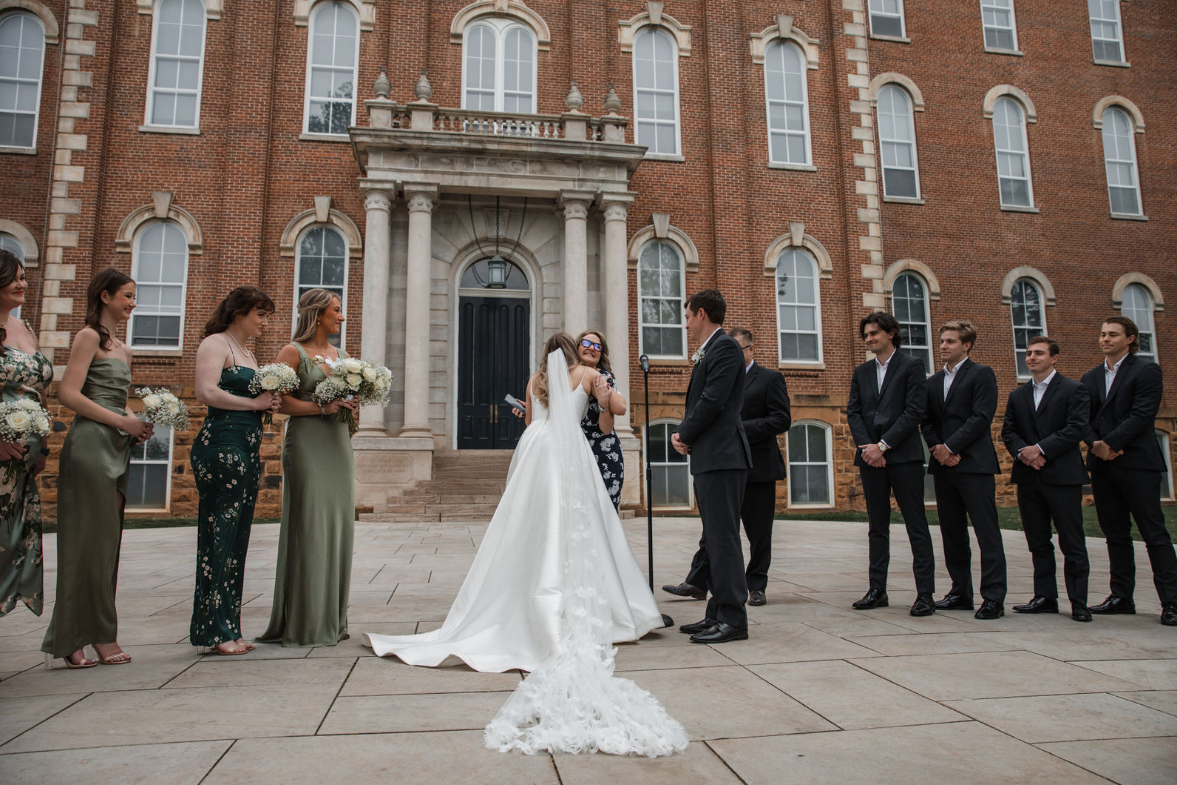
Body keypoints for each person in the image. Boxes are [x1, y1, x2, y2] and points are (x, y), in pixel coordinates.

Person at [363, 333, 686, 757]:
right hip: (571, 454)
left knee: (531, 525)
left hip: (538, 451)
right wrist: (605, 394)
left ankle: (524, 594)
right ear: (574, 351)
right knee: (581, 524)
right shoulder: (589, 374)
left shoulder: (536, 378)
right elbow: (608, 416)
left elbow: (532, 422)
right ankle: (600, 606)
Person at [41, 268, 153, 668]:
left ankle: (100, 632)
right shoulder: (88, 337)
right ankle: (76, 637)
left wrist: (134, 422)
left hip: (117, 447)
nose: (132, 303)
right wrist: (120, 420)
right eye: (126, 295)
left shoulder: (124, 349)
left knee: (106, 546)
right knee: (83, 544)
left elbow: (116, 397)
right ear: (103, 296)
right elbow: (67, 393)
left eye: (134, 296)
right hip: (89, 445)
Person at [256, 289, 357, 648]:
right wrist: (322, 408)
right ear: (317, 314)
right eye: (337, 310)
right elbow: (276, 402)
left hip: (337, 447)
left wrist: (348, 404)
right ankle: (305, 621)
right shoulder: (292, 352)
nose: (342, 318)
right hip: (307, 446)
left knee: (338, 526)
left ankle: (332, 618)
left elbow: (338, 404)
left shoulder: (341, 356)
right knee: (310, 525)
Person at [665, 328, 790, 606]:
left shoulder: (770, 379)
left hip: (757, 467)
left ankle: (756, 585)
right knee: (716, 529)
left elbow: (781, 419)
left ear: (751, 350)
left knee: (758, 532)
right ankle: (697, 582)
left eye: (739, 349)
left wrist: (737, 429)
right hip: (723, 461)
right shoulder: (719, 375)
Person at [189, 287, 281, 656]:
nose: (263, 322)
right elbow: (205, 392)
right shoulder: (216, 343)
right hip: (221, 447)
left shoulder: (249, 354)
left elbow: (250, 400)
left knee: (236, 537)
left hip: (247, 447)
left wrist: (267, 403)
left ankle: (229, 626)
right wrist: (253, 402)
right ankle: (216, 631)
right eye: (259, 314)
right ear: (240, 313)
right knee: (219, 536)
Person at [1082, 316, 1177, 626]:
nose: (1105, 339)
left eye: (1112, 334)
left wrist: (1112, 443)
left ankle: (1172, 602)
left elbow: (1143, 414)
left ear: (1131, 339)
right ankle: (1121, 597)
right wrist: (1097, 443)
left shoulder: (1147, 370)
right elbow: (1082, 417)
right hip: (1103, 465)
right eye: (1102, 334)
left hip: (1137, 463)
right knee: (1115, 534)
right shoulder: (1091, 376)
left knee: (1154, 534)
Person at [672, 290, 753, 643]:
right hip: (711, 456)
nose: (686, 323)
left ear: (701, 314)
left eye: (688, 316)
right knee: (716, 539)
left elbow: (712, 400)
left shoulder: (724, 347)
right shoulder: (713, 349)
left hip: (723, 456)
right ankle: (715, 614)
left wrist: (683, 432)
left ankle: (733, 619)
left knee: (724, 540)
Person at [847, 311, 936, 616]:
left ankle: (925, 593)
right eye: (866, 335)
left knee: (916, 525)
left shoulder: (911, 366)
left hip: (903, 456)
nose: (869, 339)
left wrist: (884, 445)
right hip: (870, 458)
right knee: (877, 526)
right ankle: (877, 589)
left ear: (891, 333)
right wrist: (869, 448)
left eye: (874, 333)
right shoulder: (861, 372)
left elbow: (914, 411)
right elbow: (854, 413)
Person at [1000, 336, 1092, 622]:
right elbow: (1008, 431)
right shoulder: (1018, 395)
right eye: (1028, 353)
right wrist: (1024, 453)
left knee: (1072, 541)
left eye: (1039, 353)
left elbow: (1076, 428)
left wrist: (1040, 450)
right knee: (1038, 540)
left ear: (1054, 358)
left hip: (1062, 477)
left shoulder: (1074, 390)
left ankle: (1078, 602)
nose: (1032, 357)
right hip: (1029, 477)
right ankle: (1045, 597)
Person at [920, 320, 1006, 620]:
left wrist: (951, 448)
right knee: (952, 532)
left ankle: (994, 597)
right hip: (944, 467)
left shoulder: (982, 374)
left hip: (974, 465)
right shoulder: (931, 382)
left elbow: (981, 417)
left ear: (966, 345)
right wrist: (938, 449)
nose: (943, 345)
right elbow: (926, 421)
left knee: (986, 532)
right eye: (942, 341)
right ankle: (960, 592)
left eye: (950, 341)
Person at [0, 249, 52, 619]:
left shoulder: (25, 327)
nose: (23, 283)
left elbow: (41, 391)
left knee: (12, 544)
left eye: (23, 276)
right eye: (15, 277)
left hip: (24, 460)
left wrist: (44, 447)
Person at [574, 329, 626, 510]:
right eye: (587, 344)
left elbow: (608, 425)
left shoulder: (605, 378)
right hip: (575, 452)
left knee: (606, 512)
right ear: (577, 346)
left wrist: (604, 400)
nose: (592, 349)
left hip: (605, 452)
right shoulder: (566, 375)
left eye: (597, 346)